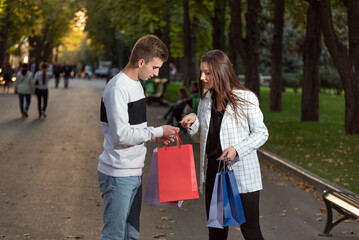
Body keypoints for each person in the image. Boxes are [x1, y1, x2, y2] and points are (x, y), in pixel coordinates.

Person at [180, 50, 269, 240]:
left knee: (250, 231)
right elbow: (201, 139)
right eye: (202, 72)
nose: (202, 77)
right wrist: (193, 122)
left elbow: (262, 133)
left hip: (242, 173)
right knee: (217, 231)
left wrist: (237, 150)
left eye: (207, 73)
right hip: (214, 171)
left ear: (220, 72)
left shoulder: (246, 98)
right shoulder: (205, 100)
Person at [98, 34, 179, 240]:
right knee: (114, 236)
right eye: (154, 67)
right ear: (141, 62)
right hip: (118, 174)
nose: (157, 73)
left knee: (131, 234)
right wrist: (157, 131)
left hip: (133, 171)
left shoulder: (136, 85)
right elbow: (121, 135)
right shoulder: (118, 88)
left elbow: (135, 129)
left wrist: (154, 137)